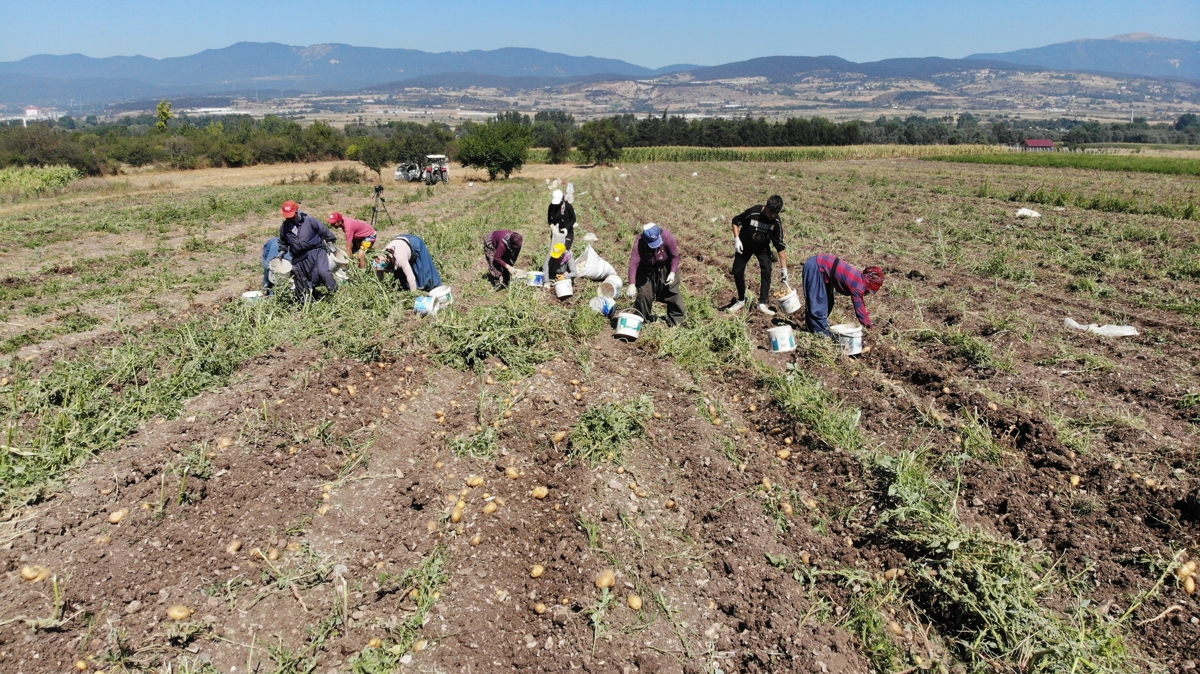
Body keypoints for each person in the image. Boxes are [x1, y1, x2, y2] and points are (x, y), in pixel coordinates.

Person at [727, 195, 788, 316]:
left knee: (767, 269)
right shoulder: (753, 212)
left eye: (776, 213)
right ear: (765, 207)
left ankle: (762, 303)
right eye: (771, 212)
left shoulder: (776, 221)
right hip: (745, 245)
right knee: (737, 271)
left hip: (762, 248)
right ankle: (741, 300)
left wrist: (784, 269)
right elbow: (735, 221)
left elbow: (780, 246)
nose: (773, 216)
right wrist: (737, 239)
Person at [801, 254, 884, 336]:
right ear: (869, 284)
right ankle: (821, 333)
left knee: (828, 302)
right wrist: (870, 326)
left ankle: (813, 328)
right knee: (819, 302)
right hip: (817, 266)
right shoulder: (858, 286)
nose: (868, 293)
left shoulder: (860, 278)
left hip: (823, 268)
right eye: (869, 291)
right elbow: (860, 310)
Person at [278, 200, 338, 302]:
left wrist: (330, 242)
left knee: (323, 272)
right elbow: (283, 241)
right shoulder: (285, 227)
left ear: (296, 211)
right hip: (299, 256)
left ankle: (335, 294)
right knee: (302, 279)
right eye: (287, 216)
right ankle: (306, 301)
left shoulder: (309, 220)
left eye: (291, 215)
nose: (289, 218)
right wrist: (282, 251)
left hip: (316, 250)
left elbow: (323, 230)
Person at [627, 223, 685, 326]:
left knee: (673, 291)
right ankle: (642, 321)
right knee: (644, 294)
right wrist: (631, 284)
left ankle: (677, 322)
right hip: (646, 270)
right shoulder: (640, 241)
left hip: (666, 268)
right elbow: (634, 262)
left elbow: (675, 257)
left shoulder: (667, 236)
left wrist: (672, 273)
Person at [375, 234, 442, 291]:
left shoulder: (400, 259)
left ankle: (435, 287)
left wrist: (413, 295)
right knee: (402, 280)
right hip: (400, 242)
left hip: (414, 243)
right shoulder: (380, 257)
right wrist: (380, 289)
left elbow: (411, 278)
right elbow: (379, 276)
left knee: (423, 273)